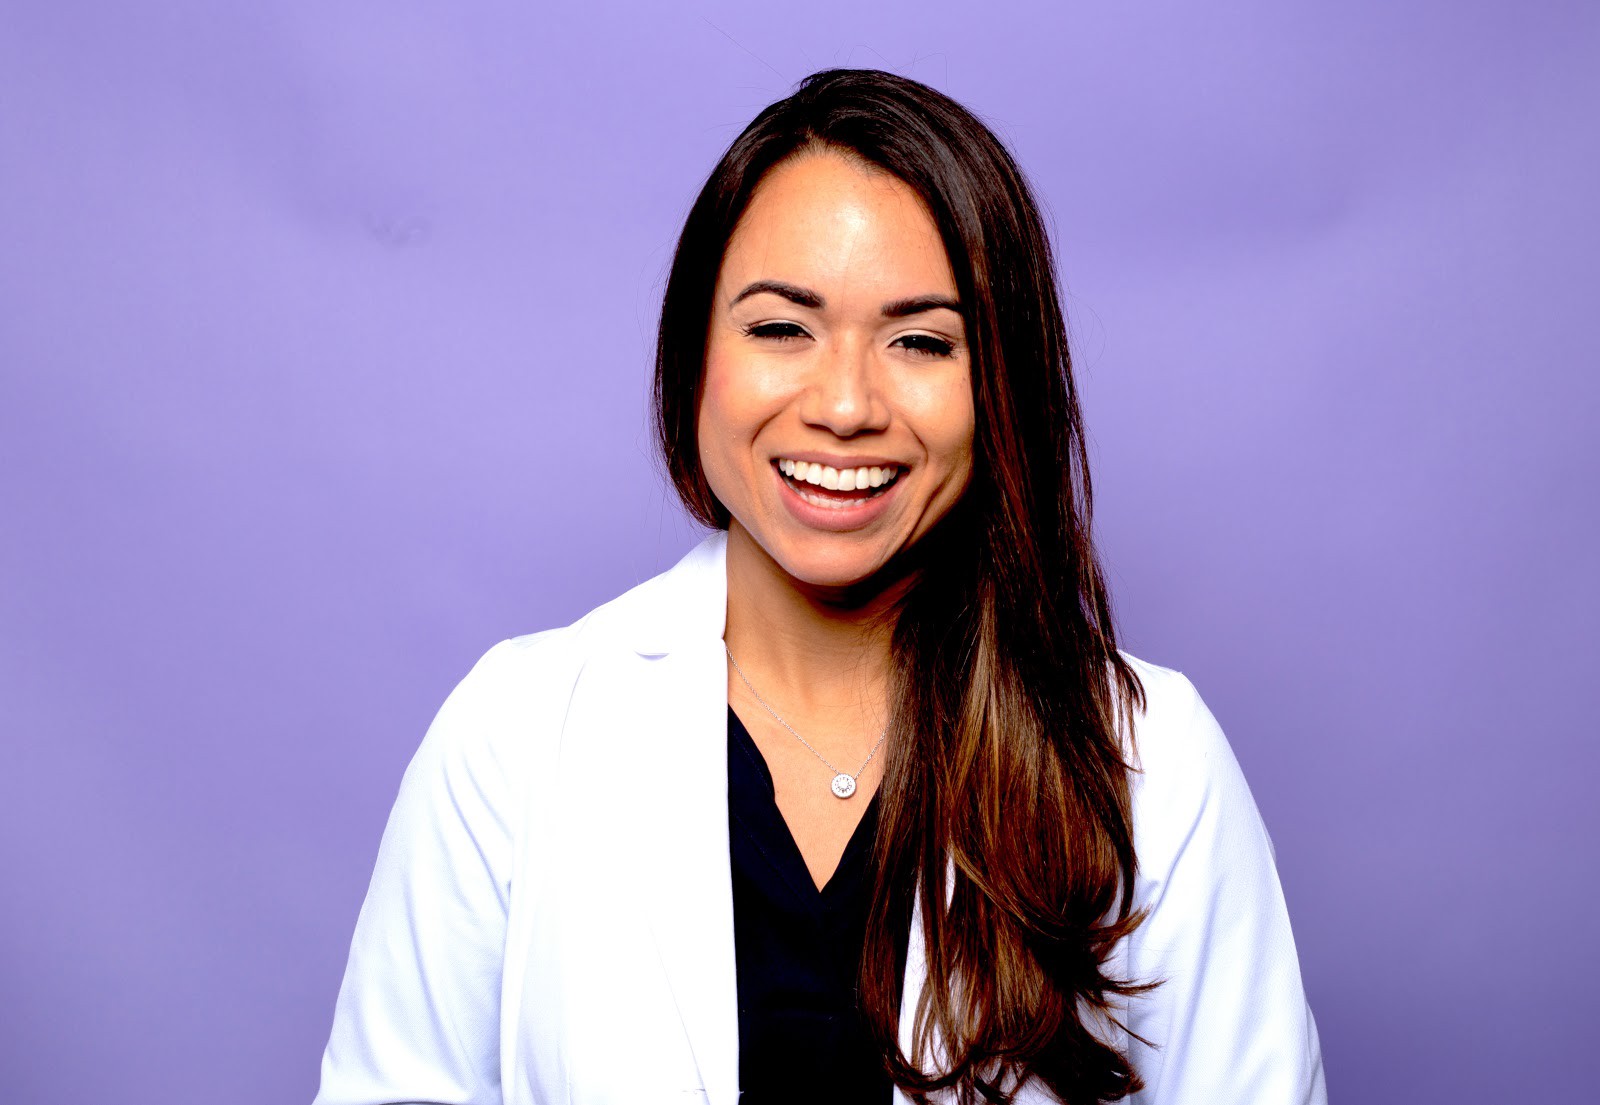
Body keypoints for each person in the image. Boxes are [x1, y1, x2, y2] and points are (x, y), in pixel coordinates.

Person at [312, 69, 1327, 1105]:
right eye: (780, 328)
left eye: (921, 341)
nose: (844, 405)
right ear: (691, 355)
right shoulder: (516, 734)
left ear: (1001, 386)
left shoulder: (1146, 758)